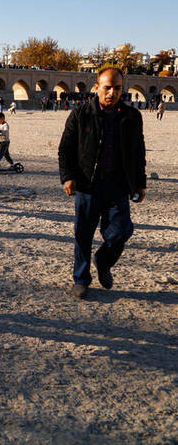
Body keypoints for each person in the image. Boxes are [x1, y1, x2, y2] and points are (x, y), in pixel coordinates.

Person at [58, 67, 146, 300]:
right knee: (83, 235)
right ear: (96, 87)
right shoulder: (81, 114)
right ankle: (81, 280)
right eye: (107, 88)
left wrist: (140, 183)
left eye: (117, 88)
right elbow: (65, 148)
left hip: (118, 185)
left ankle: (103, 260)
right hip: (88, 185)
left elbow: (138, 152)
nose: (112, 93)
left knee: (121, 231)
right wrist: (68, 177)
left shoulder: (131, 117)